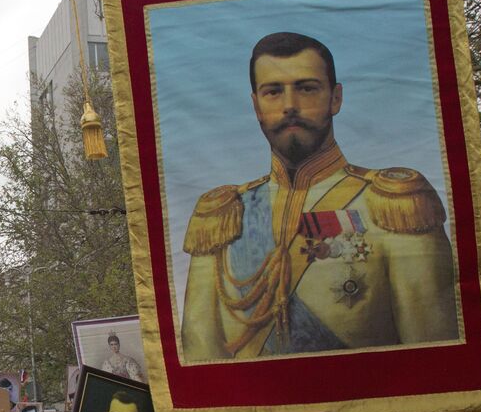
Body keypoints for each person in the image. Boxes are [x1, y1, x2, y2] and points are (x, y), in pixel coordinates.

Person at [180, 31, 458, 361]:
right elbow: (202, 353)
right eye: (273, 92)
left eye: (307, 88)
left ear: (335, 98)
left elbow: (434, 359)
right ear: (256, 105)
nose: (289, 106)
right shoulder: (221, 216)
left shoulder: (396, 203)